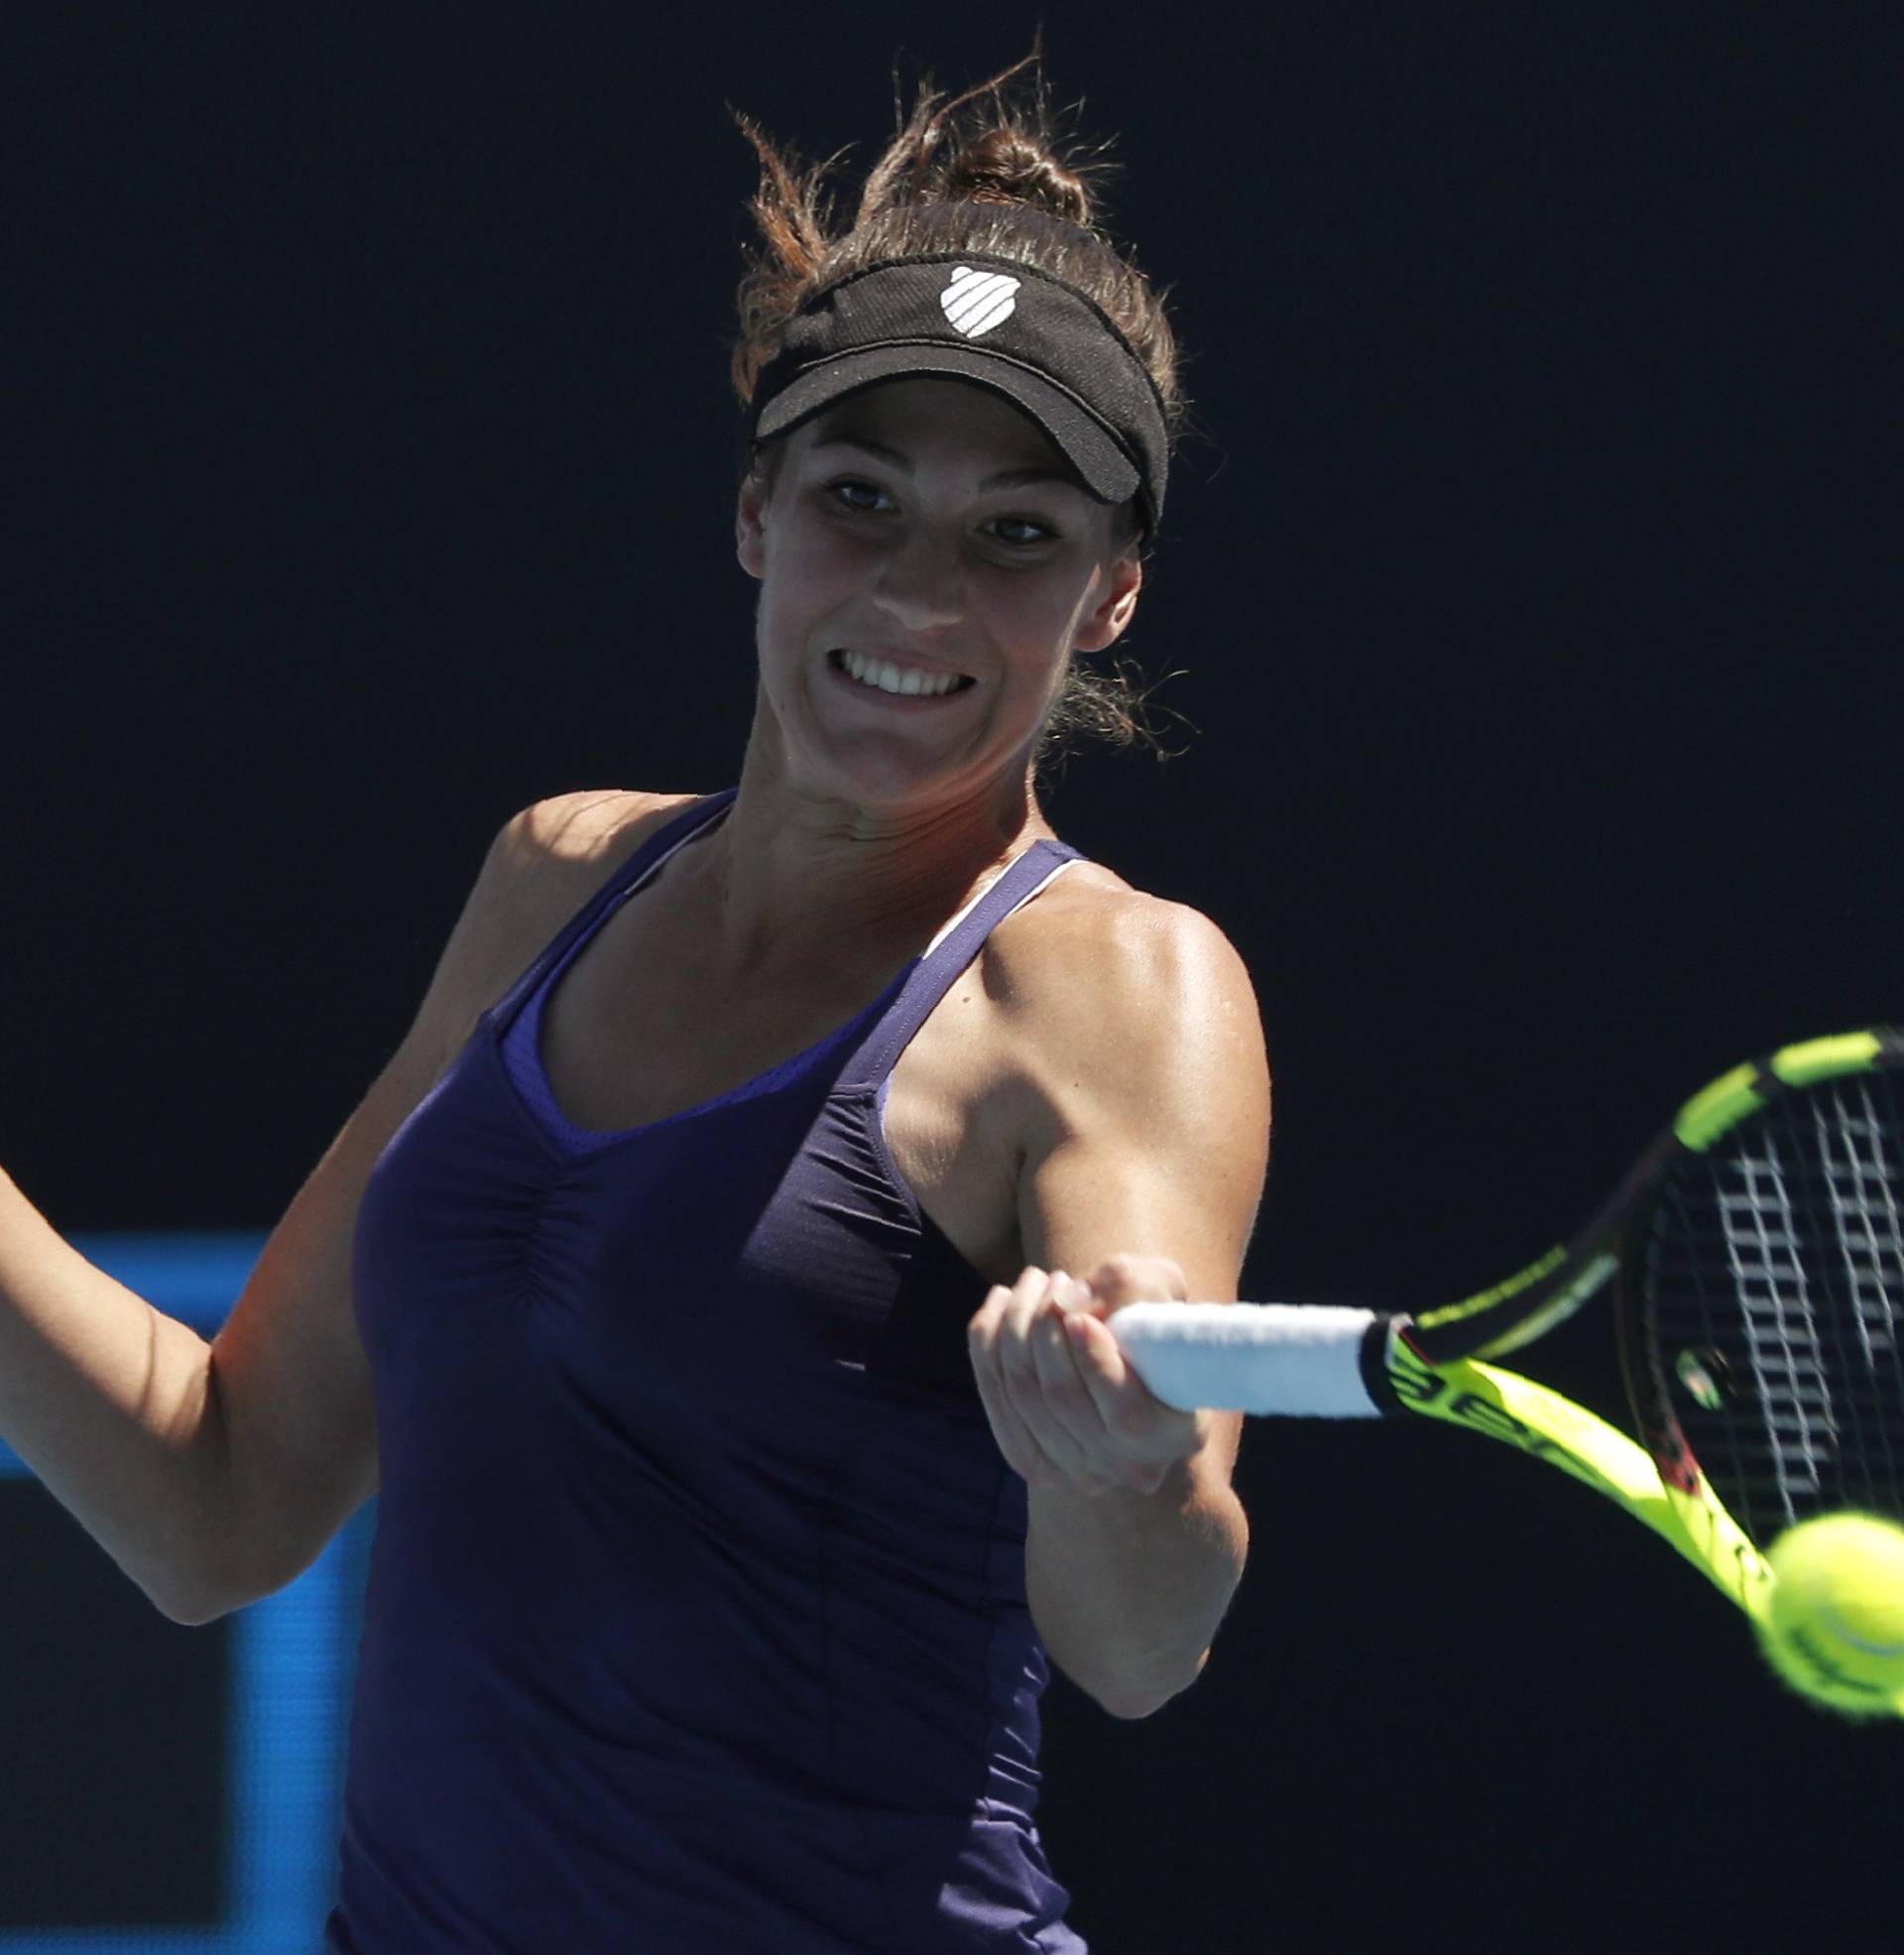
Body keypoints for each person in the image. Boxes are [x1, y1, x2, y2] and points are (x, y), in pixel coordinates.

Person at [0, 51, 1268, 1953]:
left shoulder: (1116, 988)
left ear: (1110, 597)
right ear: (756, 515)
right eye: (863, 498)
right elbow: (221, 1501)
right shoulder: (554, 883)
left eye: (1018, 532)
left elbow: (1144, 1642)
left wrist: (1133, 1461)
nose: (921, 595)